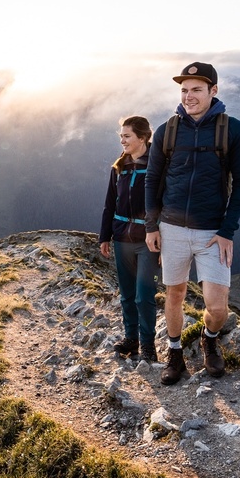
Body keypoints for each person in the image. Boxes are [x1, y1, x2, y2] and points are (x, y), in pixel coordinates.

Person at [144, 62, 240, 384]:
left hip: (211, 232)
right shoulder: (167, 130)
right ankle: (175, 354)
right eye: (184, 90)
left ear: (213, 91)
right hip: (171, 227)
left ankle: (209, 337)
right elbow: (152, 179)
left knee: (218, 307)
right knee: (174, 294)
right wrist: (152, 225)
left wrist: (226, 231)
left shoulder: (233, 130)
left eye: (196, 89)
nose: (189, 96)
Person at [100, 116, 161, 363]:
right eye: (121, 136)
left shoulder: (157, 168)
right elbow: (109, 204)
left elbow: (163, 205)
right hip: (121, 240)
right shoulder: (119, 168)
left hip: (147, 241)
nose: (122, 141)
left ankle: (148, 345)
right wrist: (105, 236)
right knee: (126, 294)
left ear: (143, 138)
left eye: (127, 136)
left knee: (144, 295)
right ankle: (131, 340)